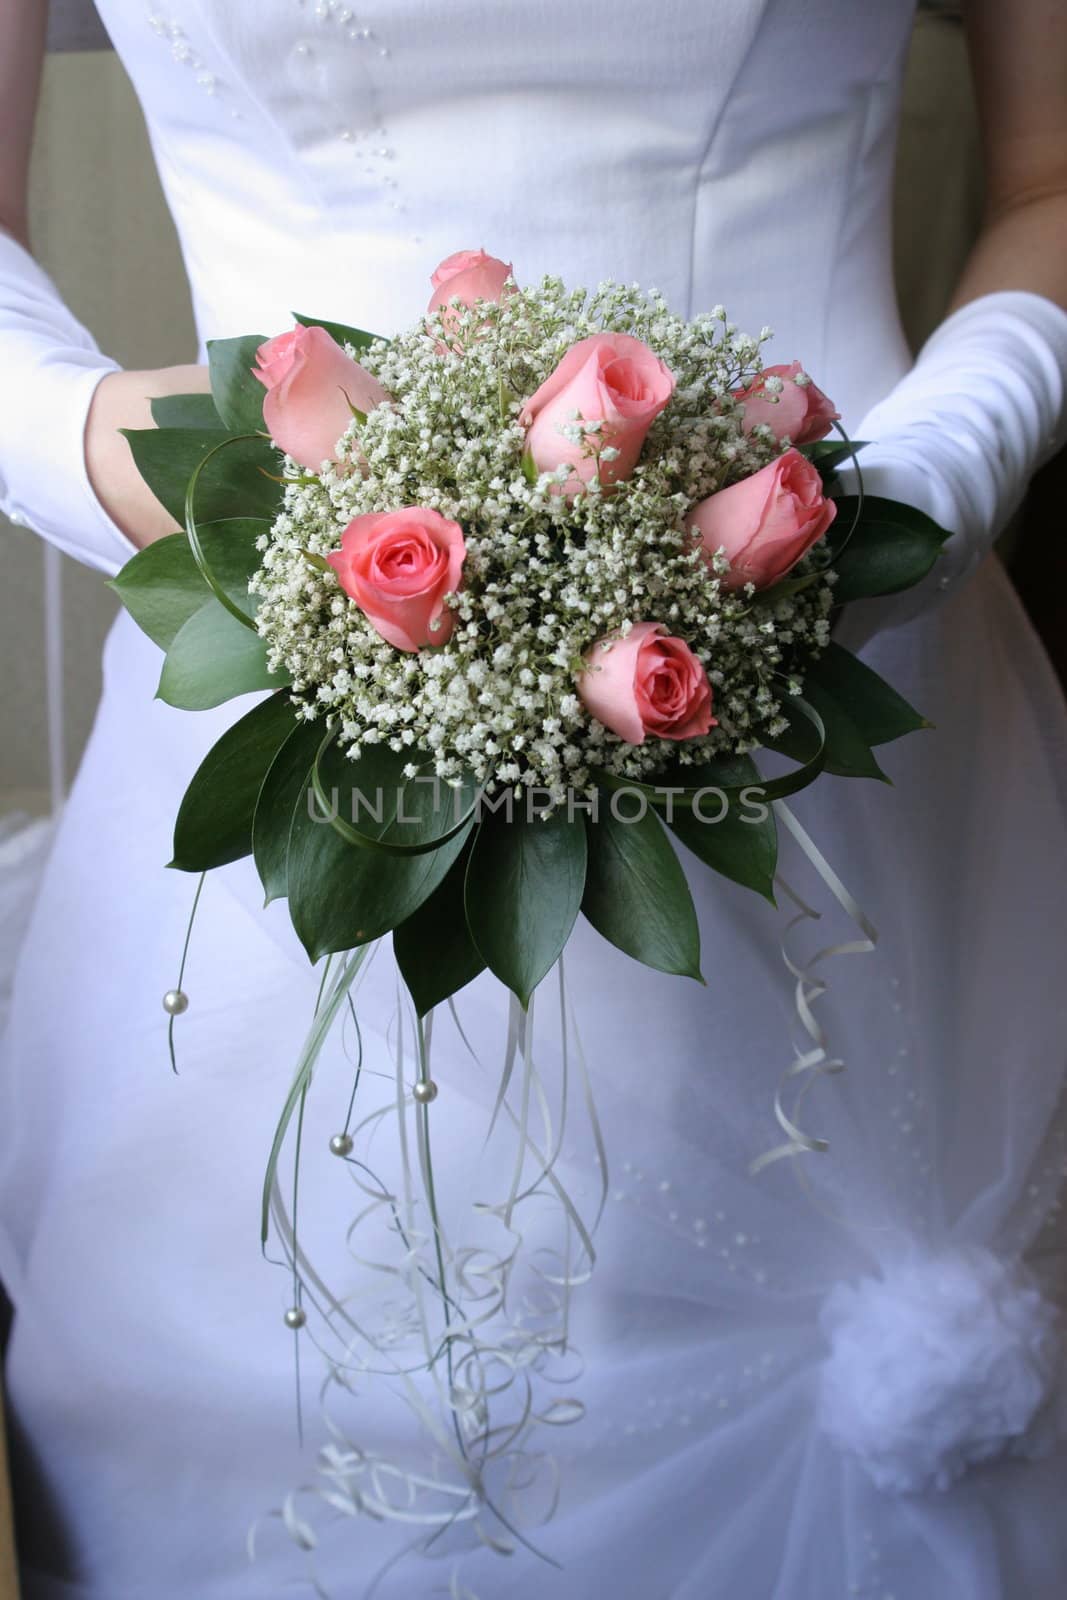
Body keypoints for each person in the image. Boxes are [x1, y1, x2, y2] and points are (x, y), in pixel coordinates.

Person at [2, 2, 1066, 1596]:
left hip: (838, 668)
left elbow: (1050, 170)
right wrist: (149, 469)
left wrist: (930, 476)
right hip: (287, 703)